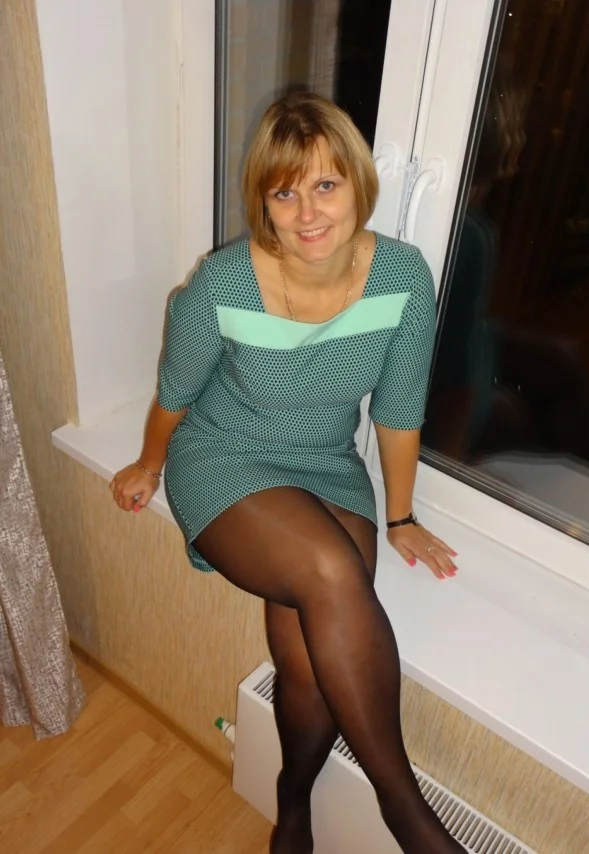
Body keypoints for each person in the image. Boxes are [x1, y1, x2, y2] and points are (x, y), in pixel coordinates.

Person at [110, 92, 462, 854]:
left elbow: (399, 411)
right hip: (225, 456)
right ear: (263, 202)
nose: (307, 213)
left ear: (359, 184)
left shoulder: (403, 278)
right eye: (284, 192)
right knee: (334, 572)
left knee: (308, 657)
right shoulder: (223, 285)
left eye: (326, 185)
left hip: (327, 464)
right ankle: (409, 818)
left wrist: (400, 516)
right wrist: (149, 462)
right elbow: (176, 391)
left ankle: (293, 808)